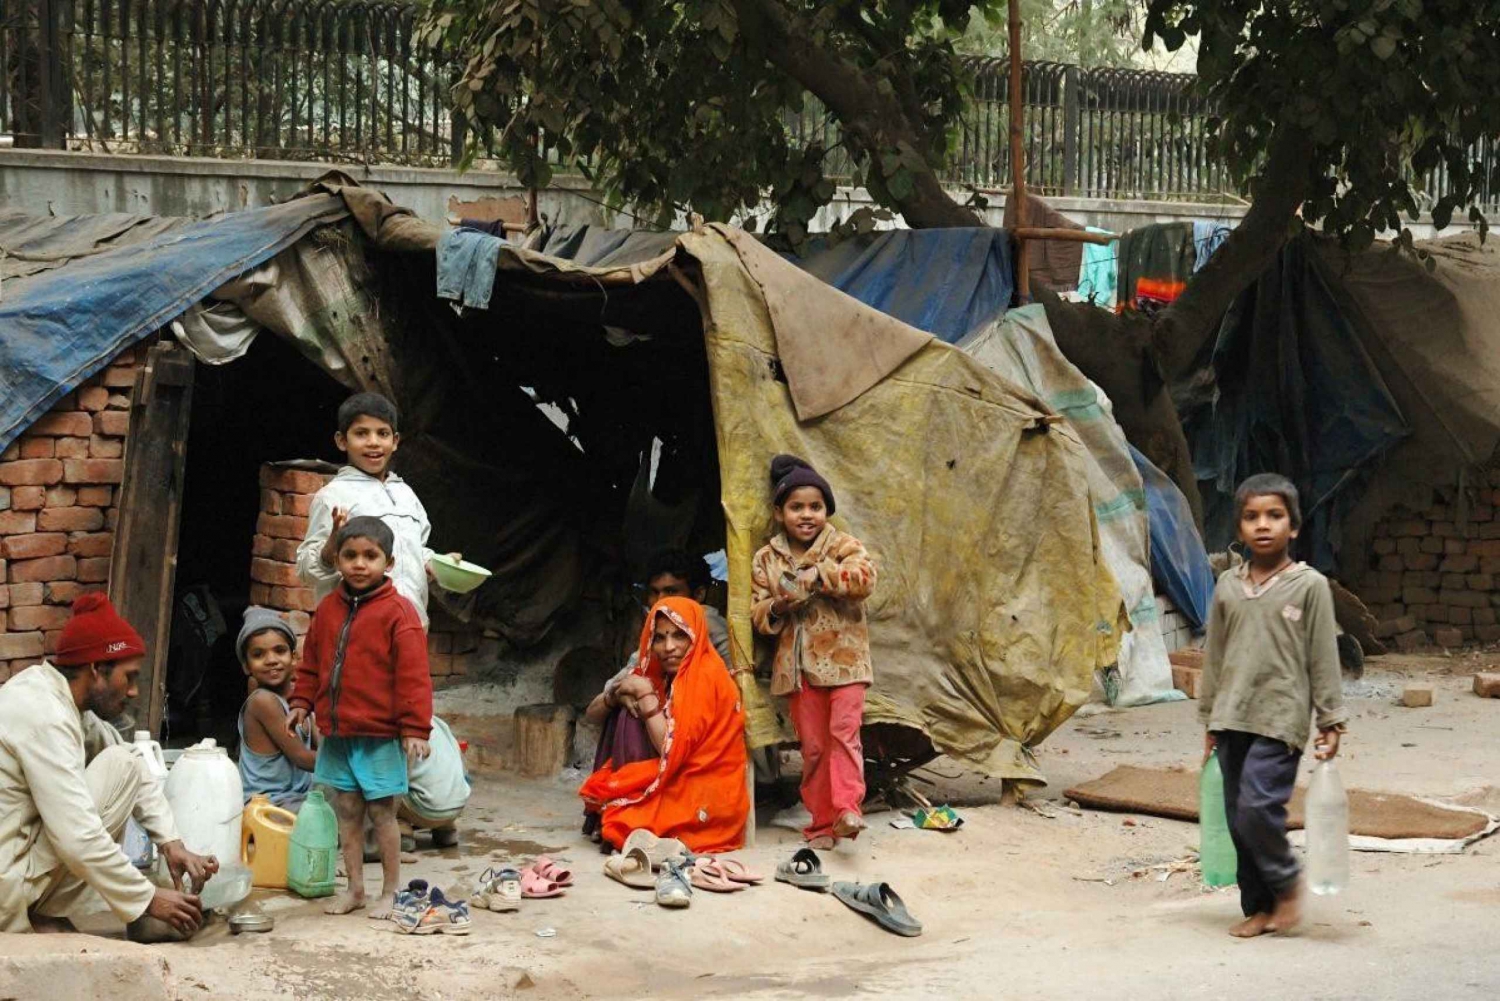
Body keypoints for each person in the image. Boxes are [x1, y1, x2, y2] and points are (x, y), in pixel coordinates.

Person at [0, 594, 218, 935]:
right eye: (128, 677)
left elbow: (134, 767)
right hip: (4, 882)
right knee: (89, 812)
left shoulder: (64, 700)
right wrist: (148, 898)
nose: (133, 692)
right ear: (96, 670)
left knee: (123, 762)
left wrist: (171, 843)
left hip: (15, 864)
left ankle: (40, 911)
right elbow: (77, 838)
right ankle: (27, 918)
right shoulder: (44, 714)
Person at [1200, 473, 1347, 938]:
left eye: (1274, 515)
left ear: (1294, 527)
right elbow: (1214, 655)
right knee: (1235, 818)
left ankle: (1287, 884)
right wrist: (1208, 720)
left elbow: (1323, 655)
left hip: (1280, 718)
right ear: (1240, 528)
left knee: (1257, 809)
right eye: (1251, 516)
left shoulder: (1309, 586)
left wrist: (1330, 718)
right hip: (1230, 715)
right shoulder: (1227, 586)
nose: (1263, 525)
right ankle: (1258, 907)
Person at [286, 516, 433, 918]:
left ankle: (390, 891)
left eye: (371, 556)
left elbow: (414, 676)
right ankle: (354, 889)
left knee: (383, 813)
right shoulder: (328, 609)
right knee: (347, 811)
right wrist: (301, 702)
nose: (359, 564)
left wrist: (415, 727)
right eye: (350, 555)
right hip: (338, 733)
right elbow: (312, 662)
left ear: (388, 562)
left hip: (380, 735)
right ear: (337, 559)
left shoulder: (399, 613)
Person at [751, 454, 877, 850]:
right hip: (798, 669)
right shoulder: (766, 558)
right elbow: (756, 611)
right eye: (796, 507)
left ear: (827, 510)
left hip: (846, 663)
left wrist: (820, 575)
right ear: (778, 512)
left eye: (816, 506)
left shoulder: (841, 545)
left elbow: (865, 578)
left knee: (843, 735)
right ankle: (822, 825)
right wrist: (777, 606)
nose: (807, 515)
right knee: (815, 747)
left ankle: (846, 810)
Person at [578, 597, 749, 853]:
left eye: (679, 636)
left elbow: (671, 750)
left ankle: (631, 805)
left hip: (704, 786)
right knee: (623, 710)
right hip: (672, 771)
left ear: (696, 636)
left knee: (624, 821)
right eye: (659, 638)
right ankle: (629, 803)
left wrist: (646, 697)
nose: (669, 647)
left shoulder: (704, 677)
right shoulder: (654, 670)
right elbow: (592, 714)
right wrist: (615, 695)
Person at [295, 391, 458, 630]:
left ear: (395, 441)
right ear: (342, 441)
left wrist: (436, 563)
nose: (373, 442)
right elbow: (307, 571)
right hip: (360, 630)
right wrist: (332, 544)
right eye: (361, 433)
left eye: (382, 433)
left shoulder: (406, 495)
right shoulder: (333, 497)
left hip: (411, 626)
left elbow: (411, 549)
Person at [235, 607, 315, 810]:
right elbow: (302, 758)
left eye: (279, 651)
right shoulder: (262, 702)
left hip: (300, 796)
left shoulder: (302, 700)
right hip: (269, 803)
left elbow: (325, 744)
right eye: (258, 654)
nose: (271, 660)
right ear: (246, 666)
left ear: (294, 657)